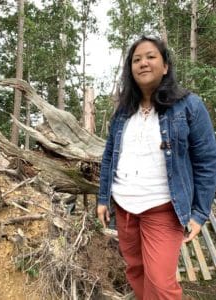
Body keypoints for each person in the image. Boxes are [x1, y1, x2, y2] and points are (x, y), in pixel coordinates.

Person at [97, 35, 216, 300]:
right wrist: (103, 198)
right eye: (136, 59)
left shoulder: (189, 106)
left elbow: (207, 161)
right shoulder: (123, 112)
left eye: (151, 56)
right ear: (130, 70)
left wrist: (199, 213)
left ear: (165, 66)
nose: (143, 63)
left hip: (162, 210)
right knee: (136, 271)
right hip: (125, 209)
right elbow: (109, 157)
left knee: (161, 285)